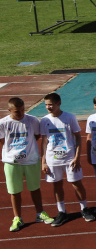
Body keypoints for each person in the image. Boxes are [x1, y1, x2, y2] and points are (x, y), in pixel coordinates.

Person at [39, 92, 86, 225]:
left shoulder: (69, 117)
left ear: (58, 103)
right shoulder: (44, 120)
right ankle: (62, 212)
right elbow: (44, 141)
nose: (48, 107)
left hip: (69, 158)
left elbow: (78, 137)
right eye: (46, 105)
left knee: (76, 183)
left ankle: (84, 208)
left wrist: (77, 157)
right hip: (52, 159)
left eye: (51, 104)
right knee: (57, 184)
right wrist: (43, 162)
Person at [2, 97, 47, 231]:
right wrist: (13, 152)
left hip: (31, 160)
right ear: (9, 110)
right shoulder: (3, 123)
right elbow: (2, 141)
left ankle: (40, 214)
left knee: (35, 188)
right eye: (17, 111)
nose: (21, 113)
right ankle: (17, 218)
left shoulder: (32, 120)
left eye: (22, 110)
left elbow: (36, 136)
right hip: (12, 162)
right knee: (14, 191)